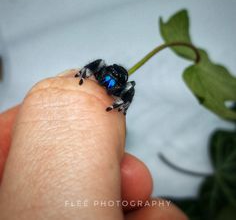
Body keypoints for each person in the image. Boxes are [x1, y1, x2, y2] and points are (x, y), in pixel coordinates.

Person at [0, 69, 187, 219]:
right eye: (106, 79)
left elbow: (128, 89)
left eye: (112, 83)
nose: (107, 85)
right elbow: (98, 67)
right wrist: (83, 73)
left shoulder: (121, 87)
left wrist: (121, 105)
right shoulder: (102, 73)